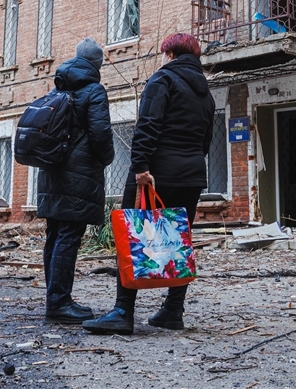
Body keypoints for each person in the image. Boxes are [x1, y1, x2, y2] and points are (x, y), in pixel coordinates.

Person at [84, 33, 215, 335]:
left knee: (133, 237)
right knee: (178, 240)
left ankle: (123, 311)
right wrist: (188, 162)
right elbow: (206, 139)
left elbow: (148, 125)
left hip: (156, 173)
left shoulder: (163, 80)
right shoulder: (204, 92)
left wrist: (141, 166)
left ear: (169, 54)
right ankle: (173, 310)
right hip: (192, 174)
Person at [36, 37, 115, 324]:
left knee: (55, 235)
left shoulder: (57, 87)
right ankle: (58, 303)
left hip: (51, 172)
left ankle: (55, 298)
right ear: (97, 64)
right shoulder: (93, 91)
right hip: (78, 176)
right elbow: (100, 135)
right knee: (69, 236)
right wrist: (106, 159)